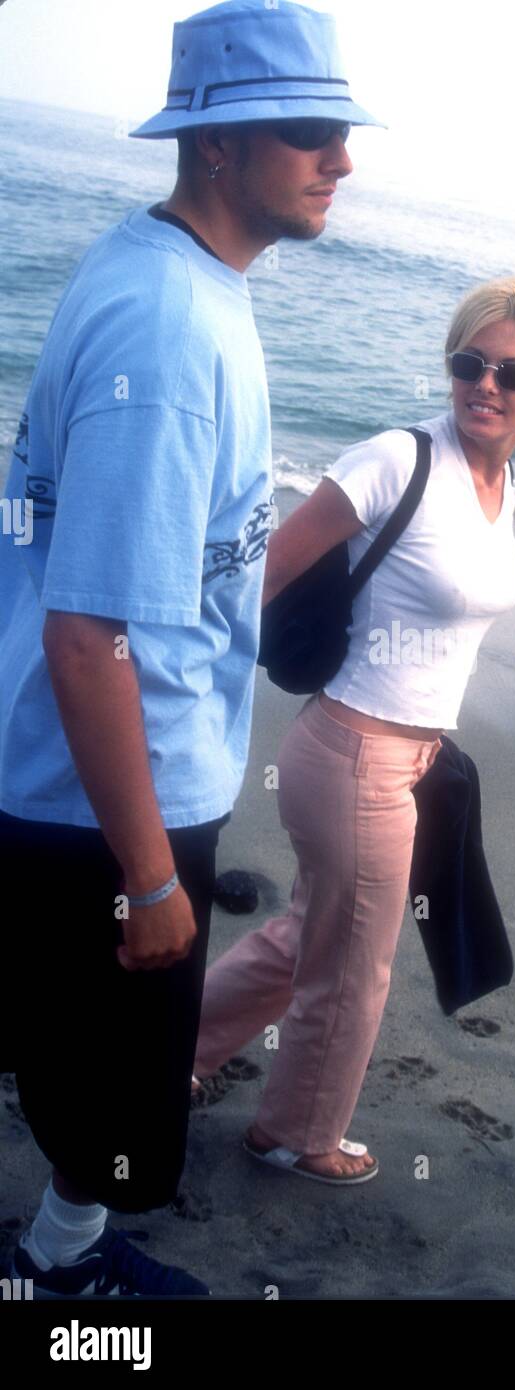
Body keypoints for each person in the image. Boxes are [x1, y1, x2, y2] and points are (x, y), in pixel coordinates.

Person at [0, 0, 382, 1296]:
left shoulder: (176, 276)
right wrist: (155, 876)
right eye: (309, 133)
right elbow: (89, 634)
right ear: (215, 146)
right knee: (110, 1090)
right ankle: (62, 1275)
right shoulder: (168, 333)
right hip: (111, 795)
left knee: (76, 1054)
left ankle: (64, 1242)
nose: (340, 158)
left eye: (342, 131)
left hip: (115, 778)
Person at [190, 276, 515, 1184]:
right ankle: (293, 1133)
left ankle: (176, 1047)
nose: (483, 384)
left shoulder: (498, 481)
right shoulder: (395, 460)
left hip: (408, 760)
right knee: (354, 972)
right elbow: (259, 579)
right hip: (351, 754)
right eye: (467, 363)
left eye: (510, 374)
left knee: (309, 937)